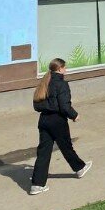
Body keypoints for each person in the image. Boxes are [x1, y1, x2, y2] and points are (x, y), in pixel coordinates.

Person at [30, 58, 91, 195]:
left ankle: (37, 185)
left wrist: (52, 108)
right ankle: (80, 168)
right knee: (66, 147)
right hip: (57, 121)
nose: (66, 70)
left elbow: (37, 104)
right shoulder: (61, 84)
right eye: (64, 68)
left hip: (44, 120)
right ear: (59, 69)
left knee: (43, 152)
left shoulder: (44, 83)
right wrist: (74, 115)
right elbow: (64, 105)